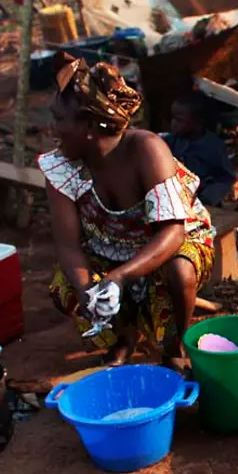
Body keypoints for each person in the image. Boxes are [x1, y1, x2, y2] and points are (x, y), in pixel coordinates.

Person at [40, 53, 215, 368]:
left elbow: (173, 233)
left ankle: (176, 344)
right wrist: (88, 291)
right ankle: (124, 336)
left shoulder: (146, 150)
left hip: (169, 243)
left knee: (180, 271)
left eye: (60, 119)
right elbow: (68, 247)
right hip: (107, 250)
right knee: (66, 287)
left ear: (90, 125)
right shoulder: (62, 168)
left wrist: (119, 277)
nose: (52, 128)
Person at [161, 91, 236, 207]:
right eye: (173, 118)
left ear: (198, 122)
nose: (173, 123)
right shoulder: (172, 141)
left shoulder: (213, 146)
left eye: (179, 120)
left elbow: (225, 178)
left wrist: (210, 196)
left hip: (203, 196)